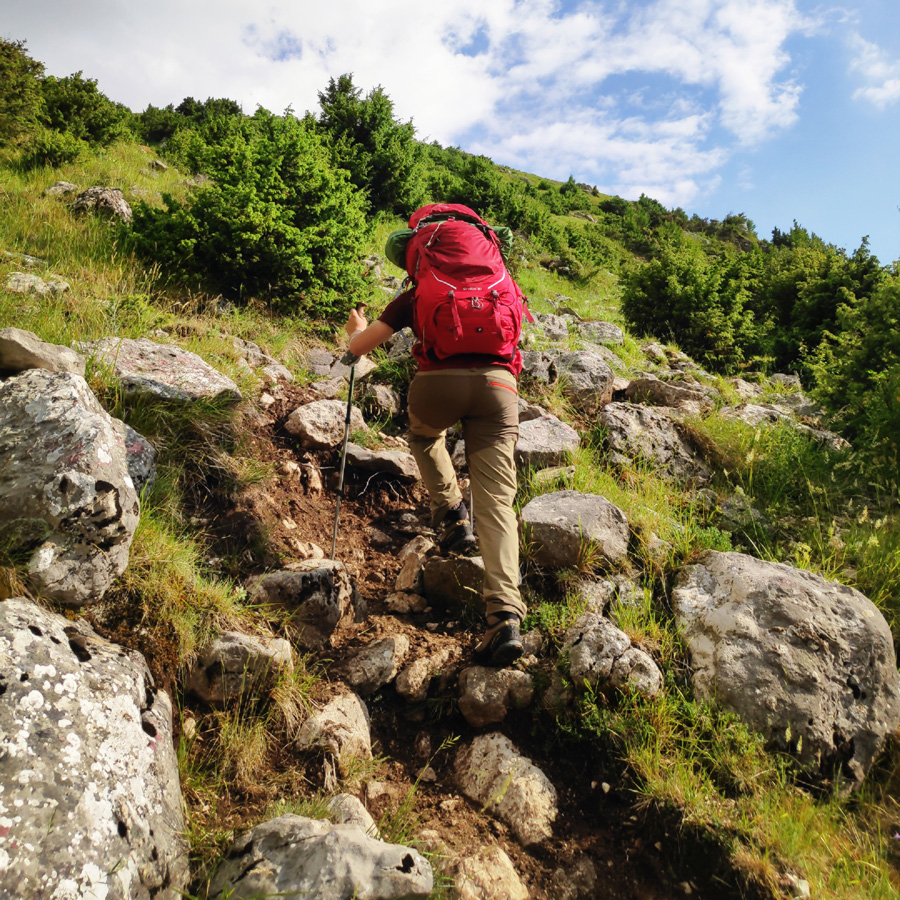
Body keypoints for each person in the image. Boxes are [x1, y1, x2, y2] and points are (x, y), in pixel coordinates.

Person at [344, 225, 526, 667]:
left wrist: (357, 328)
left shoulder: (419, 292)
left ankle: (451, 517)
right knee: (498, 502)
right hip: (499, 388)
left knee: (425, 437)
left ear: (419, 257)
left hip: (437, 386)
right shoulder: (503, 284)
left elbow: (358, 348)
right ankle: (504, 616)